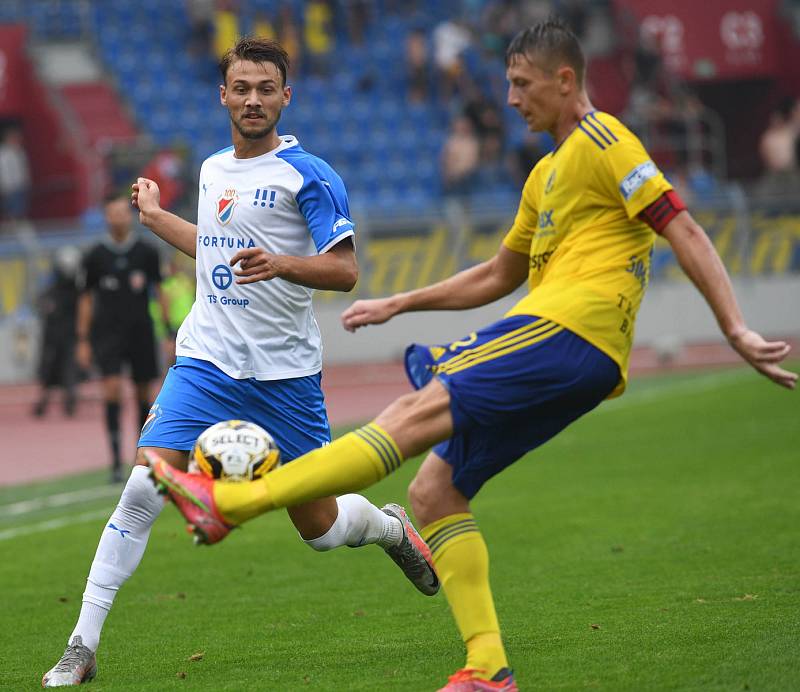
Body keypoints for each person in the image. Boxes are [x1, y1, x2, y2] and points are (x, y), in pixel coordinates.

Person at [148, 21, 798, 692]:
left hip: (570, 330)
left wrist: (735, 327)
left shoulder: (606, 142)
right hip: (575, 354)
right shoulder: (545, 174)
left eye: (521, 84)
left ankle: (233, 501)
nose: (512, 100)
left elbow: (681, 224)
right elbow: (496, 275)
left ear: (563, 80)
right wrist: (401, 303)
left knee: (409, 414)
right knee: (435, 491)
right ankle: (488, 667)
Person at [42, 37, 437, 688]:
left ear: (286, 97)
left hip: (285, 379)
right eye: (241, 88)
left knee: (321, 528)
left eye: (265, 89)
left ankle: (392, 531)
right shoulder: (212, 170)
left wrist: (281, 263)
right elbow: (212, 247)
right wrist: (153, 215)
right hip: (207, 362)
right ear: (222, 95)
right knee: (146, 484)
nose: (252, 99)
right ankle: (81, 646)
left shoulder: (308, 174)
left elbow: (345, 269)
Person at [76, 193, 169, 484]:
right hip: (107, 334)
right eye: (112, 213)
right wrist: (83, 339)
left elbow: (160, 292)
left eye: (122, 212)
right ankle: (115, 462)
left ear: (130, 215)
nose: (118, 217)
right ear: (106, 217)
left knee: (144, 394)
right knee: (112, 390)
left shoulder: (147, 251)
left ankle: (140, 458)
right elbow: (87, 298)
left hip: (140, 331)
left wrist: (167, 332)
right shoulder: (95, 255)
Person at [32, 246, 82, 418]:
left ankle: (70, 401)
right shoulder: (51, 291)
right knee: (49, 371)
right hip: (53, 338)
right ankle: (42, 402)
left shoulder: (77, 292)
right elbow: (40, 305)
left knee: (70, 371)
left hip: (69, 337)